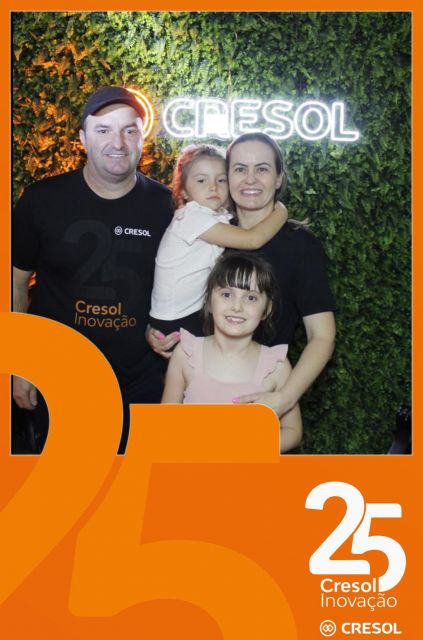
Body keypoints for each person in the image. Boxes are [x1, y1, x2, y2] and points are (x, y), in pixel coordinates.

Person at [12, 86, 173, 453]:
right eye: (103, 130)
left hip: (142, 384)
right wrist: (20, 363)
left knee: (134, 485)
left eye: (129, 130)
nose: (118, 142)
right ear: (83, 139)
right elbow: (14, 283)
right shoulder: (42, 200)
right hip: (59, 381)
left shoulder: (167, 207)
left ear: (142, 139)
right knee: (65, 484)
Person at [151, 132, 336, 423]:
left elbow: (322, 336)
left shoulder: (300, 245)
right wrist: (157, 332)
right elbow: (175, 291)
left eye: (262, 169)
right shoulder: (210, 234)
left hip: (259, 403)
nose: (250, 179)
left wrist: (284, 398)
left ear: (278, 178)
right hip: (195, 404)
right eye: (239, 169)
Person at [161, 252, 302, 453]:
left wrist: (248, 447)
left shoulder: (277, 365)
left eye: (251, 298)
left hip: (249, 472)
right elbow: (165, 425)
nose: (237, 307)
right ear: (209, 302)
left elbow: (293, 431)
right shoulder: (185, 353)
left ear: (267, 310)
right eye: (226, 294)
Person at [149, 143, 287, 338]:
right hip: (177, 319)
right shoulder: (193, 218)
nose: (213, 186)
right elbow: (253, 239)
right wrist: (281, 211)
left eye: (221, 180)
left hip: (187, 313)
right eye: (201, 180)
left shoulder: (215, 216)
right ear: (184, 191)